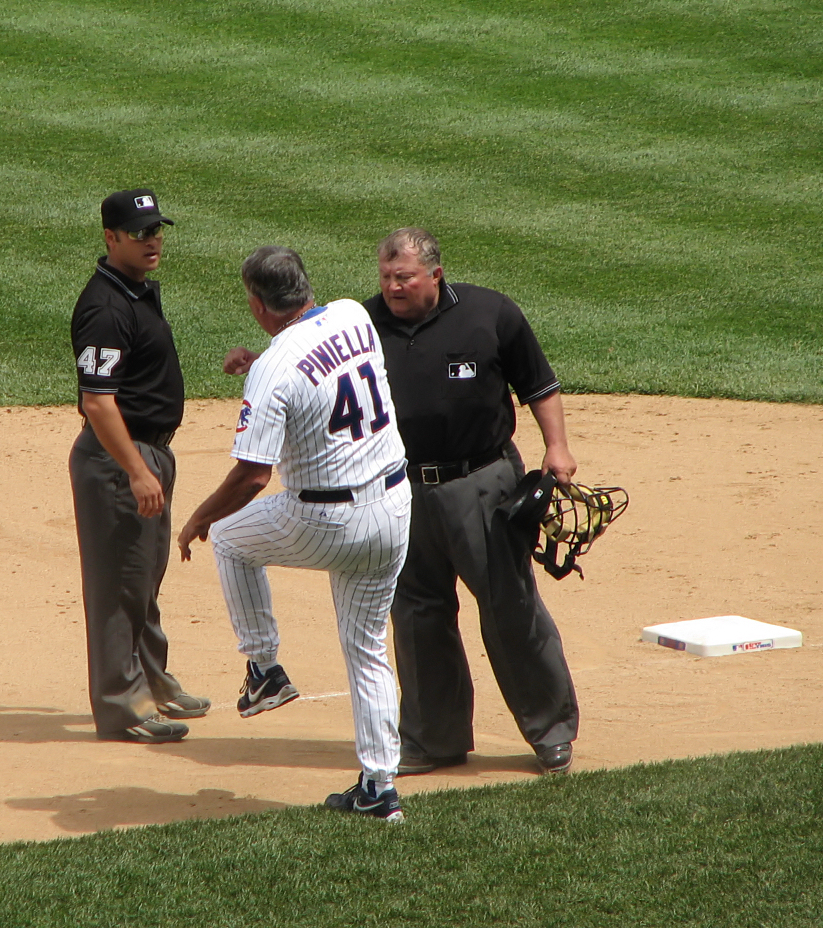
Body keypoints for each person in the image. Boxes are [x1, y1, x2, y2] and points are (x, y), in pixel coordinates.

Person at [180, 246, 411, 821]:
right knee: (368, 649)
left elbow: (253, 475)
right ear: (306, 286)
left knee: (231, 537)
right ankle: (380, 789)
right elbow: (322, 371)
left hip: (328, 522)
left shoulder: (274, 369)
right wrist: (264, 360)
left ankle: (263, 671)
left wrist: (200, 518)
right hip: (395, 509)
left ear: (258, 305)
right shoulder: (354, 317)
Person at [362, 226, 580, 776]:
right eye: (386, 277)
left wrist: (557, 448)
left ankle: (550, 731)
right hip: (401, 488)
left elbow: (538, 384)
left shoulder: (490, 314)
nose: (393, 287)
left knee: (509, 606)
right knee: (417, 615)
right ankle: (434, 741)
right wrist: (259, 357)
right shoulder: (363, 324)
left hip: (481, 483)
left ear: (435, 273)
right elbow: (310, 355)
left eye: (404, 277)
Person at [69, 188, 209, 744]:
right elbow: (97, 401)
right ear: (110, 238)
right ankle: (121, 708)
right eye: (139, 233)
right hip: (117, 458)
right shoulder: (104, 307)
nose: (152, 240)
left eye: (156, 230)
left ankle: (153, 680)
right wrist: (135, 469)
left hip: (149, 452)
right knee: (118, 584)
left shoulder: (137, 290)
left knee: (145, 575)